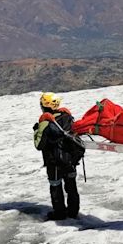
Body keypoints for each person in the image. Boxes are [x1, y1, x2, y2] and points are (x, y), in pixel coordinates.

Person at [33, 92, 80, 220]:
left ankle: (59, 214)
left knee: (56, 187)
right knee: (71, 186)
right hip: (70, 160)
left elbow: (39, 145)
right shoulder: (68, 117)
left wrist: (36, 130)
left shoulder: (45, 122)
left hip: (54, 162)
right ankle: (73, 212)